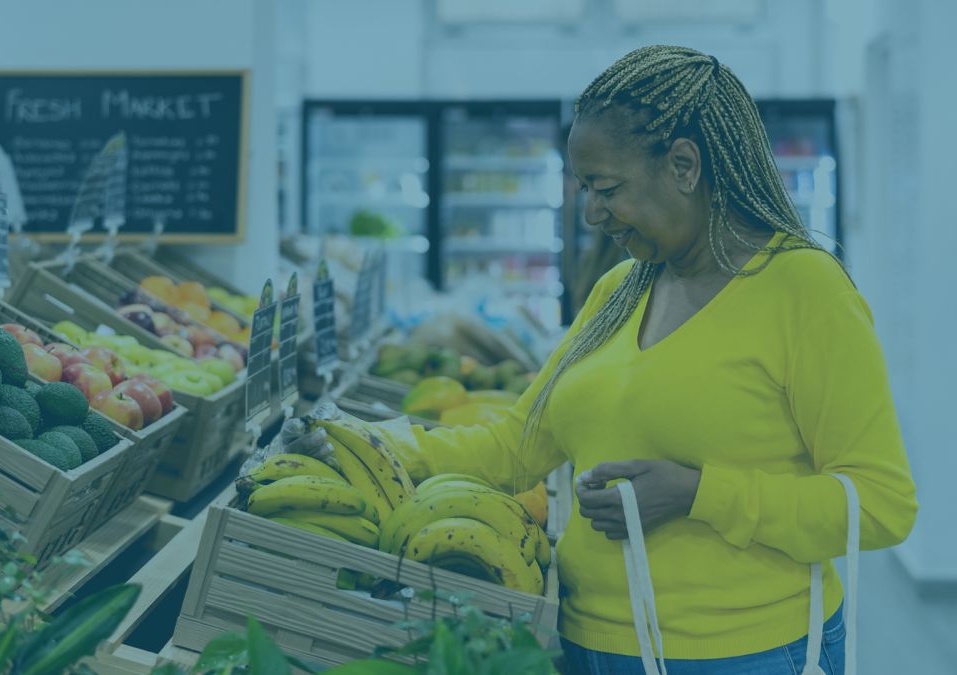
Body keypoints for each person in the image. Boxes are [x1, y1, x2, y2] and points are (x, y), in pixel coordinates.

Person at [282, 45, 917, 674]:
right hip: (584, 642)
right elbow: (513, 446)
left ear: (685, 165)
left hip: (744, 653)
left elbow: (882, 503)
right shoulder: (622, 290)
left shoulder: (804, 289)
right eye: (582, 187)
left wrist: (700, 494)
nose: (590, 213)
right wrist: (361, 441)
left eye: (606, 187)